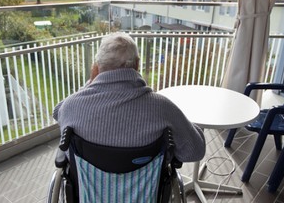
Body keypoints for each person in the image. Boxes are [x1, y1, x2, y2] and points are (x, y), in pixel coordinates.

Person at [53, 32, 205, 162]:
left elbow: (57, 111)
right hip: (147, 195)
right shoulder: (162, 107)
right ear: (137, 64)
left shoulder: (72, 106)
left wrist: (90, 84)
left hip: (88, 194)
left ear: (97, 67)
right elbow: (196, 151)